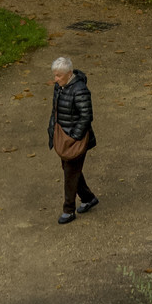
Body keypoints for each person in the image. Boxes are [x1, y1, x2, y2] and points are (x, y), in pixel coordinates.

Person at [47, 55, 97, 223]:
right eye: (55, 75)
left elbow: (86, 116)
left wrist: (74, 137)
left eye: (58, 75)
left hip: (75, 140)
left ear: (69, 74)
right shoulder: (59, 87)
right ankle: (88, 198)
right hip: (63, 137)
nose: (55, 79)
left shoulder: (80, 90)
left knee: (70, 173)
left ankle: (68, 210)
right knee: (70, 170)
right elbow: (55, 110)